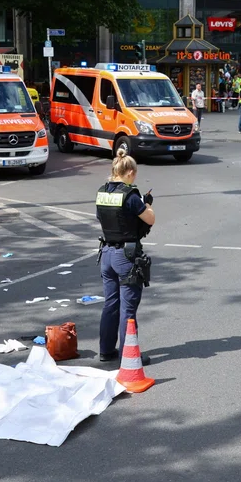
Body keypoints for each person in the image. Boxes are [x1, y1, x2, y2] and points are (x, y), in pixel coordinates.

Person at [96, 148, 156, 363]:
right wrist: (147, 203)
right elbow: (149, 219)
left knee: (110, 304)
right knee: (128, 308)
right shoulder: (130, 195)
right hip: (126, 255)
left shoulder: (102, 192)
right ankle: (128, 355)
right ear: (129, 172)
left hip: (106, 254)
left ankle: (105, 350)